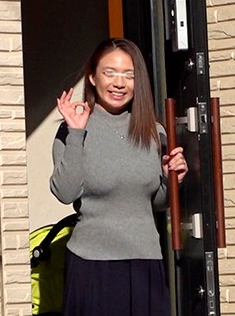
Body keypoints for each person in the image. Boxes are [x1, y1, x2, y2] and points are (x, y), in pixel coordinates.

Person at [50, 38, 188, 316]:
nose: (119, 83)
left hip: (145, 262)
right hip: (91, 264)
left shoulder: (155, 132)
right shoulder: (72, 129)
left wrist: (171, 179)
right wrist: (76, 133)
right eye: (109, 72)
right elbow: (65, 193)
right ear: (93, 77)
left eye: (129, 75)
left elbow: (156, 202)